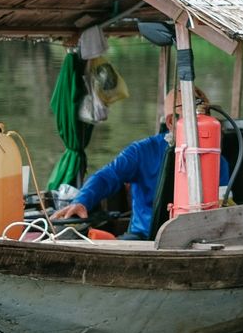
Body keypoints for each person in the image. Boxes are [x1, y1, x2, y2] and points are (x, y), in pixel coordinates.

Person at [51, 86, 228, 240]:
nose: (200, 125)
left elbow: (221, 207)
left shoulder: (216, 161)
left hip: (195, 239)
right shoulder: (142, 151)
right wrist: (81, 201)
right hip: (142, 237)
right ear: (171, 122)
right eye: (193, 120)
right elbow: (107, 176)